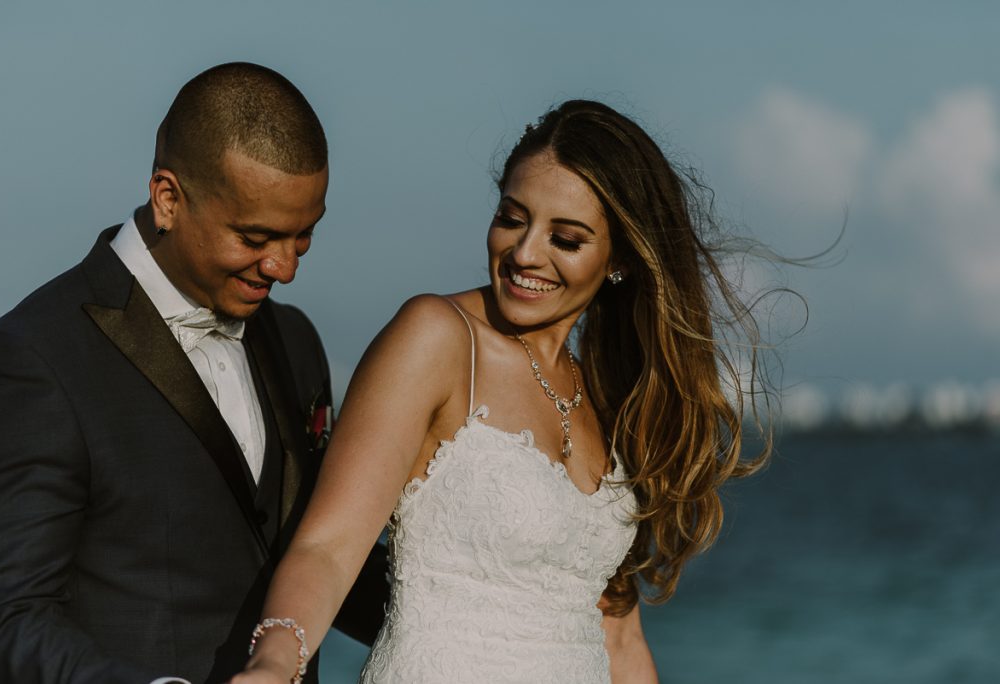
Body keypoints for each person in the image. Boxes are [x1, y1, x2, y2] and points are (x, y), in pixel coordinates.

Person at [232, 100, 772, 684]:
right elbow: (328, 547)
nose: (524, 253)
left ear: (618, 258)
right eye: (513, 218)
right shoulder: (436, 339)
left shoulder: (610, 393)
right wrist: (273, 661)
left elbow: (618, 634)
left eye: (565, 238)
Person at [0, 62, 387, 684]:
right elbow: (1, 617)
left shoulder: (294, 340)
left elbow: (318, 551)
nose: (284, 268)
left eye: (304, 236)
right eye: (256, 237)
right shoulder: (33, 361)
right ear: (168, 198)